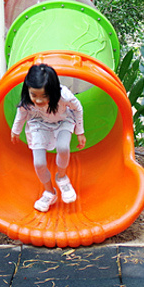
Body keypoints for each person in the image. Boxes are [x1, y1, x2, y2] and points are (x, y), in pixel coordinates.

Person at [10, 63, 87, 212]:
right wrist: (15, 130)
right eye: (34, 95)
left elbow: (78, 109)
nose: (38, 101)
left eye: (44, 96)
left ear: (53, 91)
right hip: (39, 123)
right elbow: (21, 114)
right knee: (39, 163)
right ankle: (49, 192)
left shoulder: (64, 95)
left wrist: (80, 132)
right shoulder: (27, 99)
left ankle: (62, 177)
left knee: (63, 147)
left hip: (63, 120)